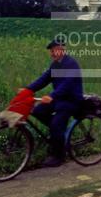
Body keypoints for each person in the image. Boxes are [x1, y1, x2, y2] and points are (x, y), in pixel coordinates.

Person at [22, 37, 83, 167]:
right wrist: (28, 89)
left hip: (71, 101)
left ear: (61, 50)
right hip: (59, 99)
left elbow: (67, 85)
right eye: (50, 51)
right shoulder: (55, 65)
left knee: (56, 125)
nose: (51, 53)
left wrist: (52, 95)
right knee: (38, 111)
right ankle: (58, 135)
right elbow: (43, 79)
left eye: (53, 50)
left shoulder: (71, 64)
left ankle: (59, 156)